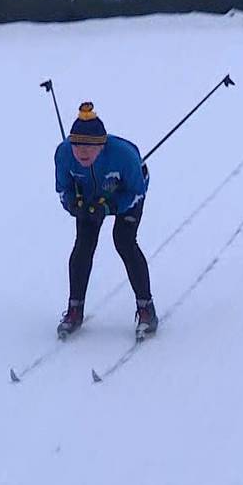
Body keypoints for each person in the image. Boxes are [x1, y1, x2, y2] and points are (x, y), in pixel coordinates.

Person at [54, 102, 158, 340]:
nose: (82, 152)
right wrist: (74, 205)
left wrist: (111, 206)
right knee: (83, 245)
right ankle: (74, 310)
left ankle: (146, 310)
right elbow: (63, 188)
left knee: (123, 241)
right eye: (77, 145)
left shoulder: (125, 156)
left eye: (89, 146)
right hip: (90, 195)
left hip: (125, 195)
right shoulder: (63, 154)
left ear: (102, 145)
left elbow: (137, 190)